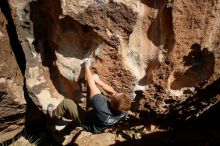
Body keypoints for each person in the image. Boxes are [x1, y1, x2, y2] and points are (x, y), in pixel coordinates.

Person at [47, 59, 131, 145]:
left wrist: (87, 66)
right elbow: (113, 92)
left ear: (113, 104)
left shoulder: (101, 107)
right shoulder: (124, 111)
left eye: (115, 96)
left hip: (87, 124)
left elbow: (91, 84)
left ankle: (54, 118)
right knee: (92, 99)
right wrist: (99, 81)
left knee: (67, 103)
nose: (114, 93)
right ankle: (70, 119)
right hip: (98, 123)